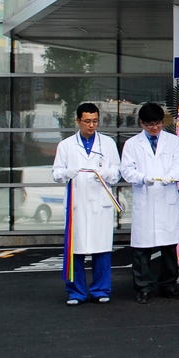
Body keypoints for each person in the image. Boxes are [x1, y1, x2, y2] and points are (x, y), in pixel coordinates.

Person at [52, 103, 122, 306]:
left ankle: (101, 289)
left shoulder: (107, 143)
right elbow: (56, 173)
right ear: (78, 121)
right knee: (77, 249)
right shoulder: (66, 145)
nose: (91, 125)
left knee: (101, 249)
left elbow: (117, 171)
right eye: (87, 121)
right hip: (78, 204)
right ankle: (76, 292)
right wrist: (67, 172)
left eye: (95, 121)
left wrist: (108, 173)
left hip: (100, 203)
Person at [120, 103, 179, 304]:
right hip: (145, 197)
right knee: (142, 248)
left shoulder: (173, 141)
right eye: (150, 125)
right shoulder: (132, 144)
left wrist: (171, 176)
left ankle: (169, 285)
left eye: (158, 124)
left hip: (166, 197)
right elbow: (126, 170)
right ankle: (143, 287)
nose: (155, 128)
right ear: (142, 123)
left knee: (168, 247)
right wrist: (142, 177)